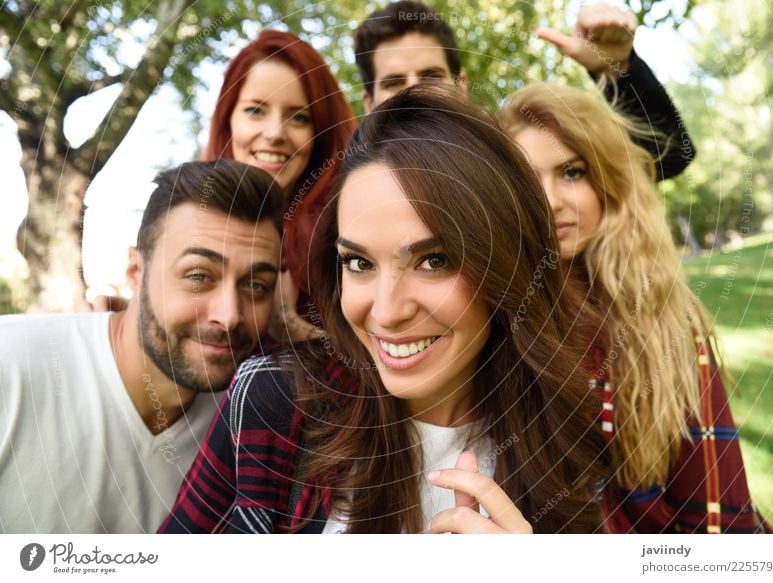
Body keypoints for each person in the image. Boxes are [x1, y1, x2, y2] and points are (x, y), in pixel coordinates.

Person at [160, 85, 611, 534]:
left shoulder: (568, 426)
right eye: (359, 263)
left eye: (434, 260)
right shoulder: (273, 401)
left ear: (508, 263)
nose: (388, 311)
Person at [500, 83, 771, 533]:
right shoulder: (493, 312)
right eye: (527, 179)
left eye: (571, 172)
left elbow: (717, 516)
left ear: (608, 181)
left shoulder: (665, 320)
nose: (550, 200)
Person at [0, 160, 284, 533]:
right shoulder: (12, 369)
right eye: (198, 276)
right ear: (136, 272)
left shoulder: (248, 427)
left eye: (255, 285)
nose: (229, 316)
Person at [95, 30, 357, 342]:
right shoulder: (187, 215)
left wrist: (290, 327)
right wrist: (142, 314)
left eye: (299, 118)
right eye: (255, 110)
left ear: (322, 134)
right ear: (227, 120)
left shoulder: (345, 236)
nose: (275, 133)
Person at [354, 1, 694, 181]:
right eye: (394, 83)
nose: (416, 93)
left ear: (460, 87)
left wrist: (615, 67)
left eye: (431, 76)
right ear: (369, 103)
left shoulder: (513, 162)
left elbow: (670, 157)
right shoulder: (346, 193)